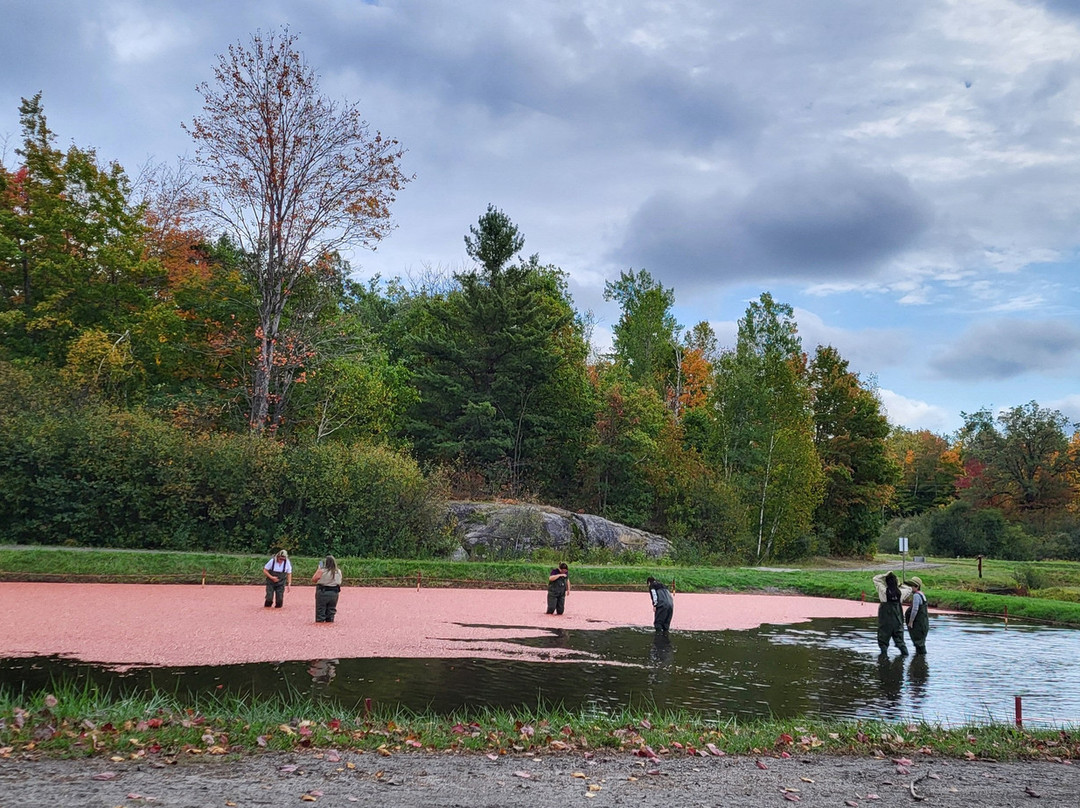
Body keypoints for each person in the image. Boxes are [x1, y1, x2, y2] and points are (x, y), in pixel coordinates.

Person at [872, 571, 911, 655]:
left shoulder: (883, 591)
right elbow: (909, 589)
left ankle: (883, 659)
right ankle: (906, 656)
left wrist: (885, 575)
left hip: (885, 621)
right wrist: (899, 584)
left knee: (883, 642)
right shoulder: (901, 593)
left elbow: (875, 579)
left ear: (886, 582)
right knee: (900, 641)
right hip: (897, 620)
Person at [311, 555, 343, 623]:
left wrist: (318, 570)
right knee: (331, 611)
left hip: (323, 592)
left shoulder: (322, 571)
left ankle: (320, 624)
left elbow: (314, 579)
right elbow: (339, 582)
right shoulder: (338, 571)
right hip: (334, 593)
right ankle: (330, 622)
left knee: (320, 611)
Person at [906, 576, 929, 655]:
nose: (910, 588)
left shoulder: (916, 596)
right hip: (924, 624)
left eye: (911, 586)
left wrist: (911, 622)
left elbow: (915, 609)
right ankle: (921, 660)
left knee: (919, 644)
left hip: (918, 625)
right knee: (921, 643)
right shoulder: (922, 594)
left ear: (916, 586)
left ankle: (920, 659)